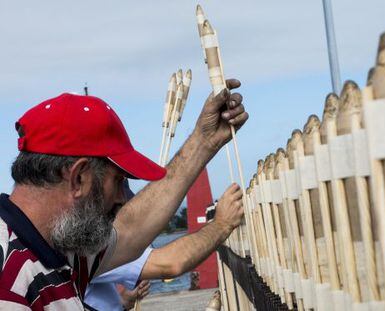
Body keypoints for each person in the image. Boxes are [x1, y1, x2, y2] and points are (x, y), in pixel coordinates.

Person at [0, 79, 248, 309]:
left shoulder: (60, 247)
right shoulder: (9, 284)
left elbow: (130, 229)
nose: (121, 198)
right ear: (79, 178)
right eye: (118, 181)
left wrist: (204, 141)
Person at [85, 184, 242, 310]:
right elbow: (172, 263)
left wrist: (123, 301)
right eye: (120, 207)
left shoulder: (91, 242)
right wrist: (222, 224)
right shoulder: (89, 245)